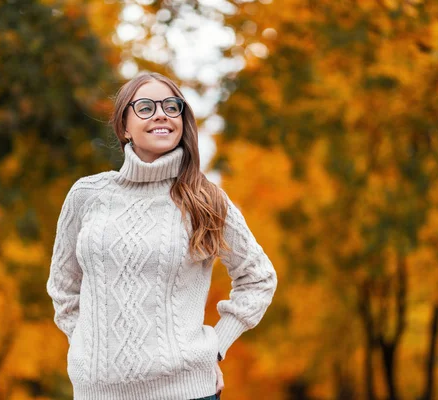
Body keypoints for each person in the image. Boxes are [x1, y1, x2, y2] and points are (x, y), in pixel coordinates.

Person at [46, 72, 277, 400]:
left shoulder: (204, 198)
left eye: (172, 107)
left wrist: (216, 347)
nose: (161, 114)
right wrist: (88, 346)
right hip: (97, 393)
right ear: (124, 125)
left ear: (183, 120)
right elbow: (63, 288)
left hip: (185, 393)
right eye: (145, 107)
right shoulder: (87, 195)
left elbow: (258, 278)